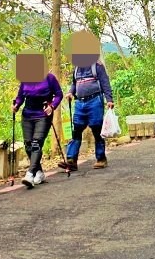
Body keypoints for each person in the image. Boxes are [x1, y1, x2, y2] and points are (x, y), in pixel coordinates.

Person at [63, 31, 114, 171]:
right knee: (76, 130)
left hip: (95, 101)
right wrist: (70, 92)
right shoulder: (77, 68)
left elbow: (105, 83)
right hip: (80, 103)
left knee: (97, 129)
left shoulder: (97, 66)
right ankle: (71, 160)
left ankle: (101, 158)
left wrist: (109, 99)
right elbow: (75, 83)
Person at [13, 55, 64, 188]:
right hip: (27, 115)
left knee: (36, 143)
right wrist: (16, 106)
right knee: (28, 145)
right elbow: (20, 97)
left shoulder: (49, 78)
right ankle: (39, 172)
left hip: (43, 114)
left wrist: (52, 106)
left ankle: (30, 174)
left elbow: (59, 94)